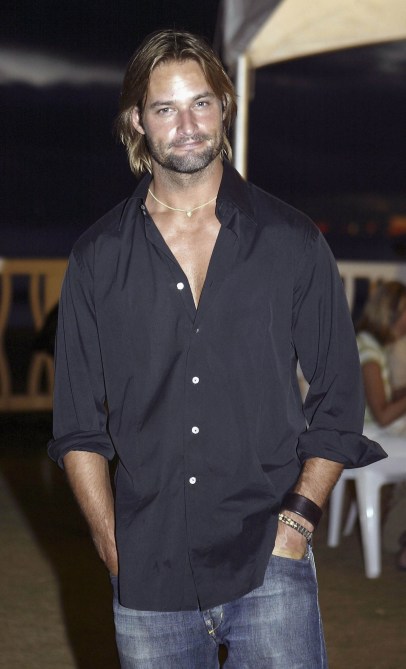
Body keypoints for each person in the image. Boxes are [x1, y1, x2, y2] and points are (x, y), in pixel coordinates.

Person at [48, 29, 385, 669]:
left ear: (224, 107)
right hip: (148, 567)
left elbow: (340, 397)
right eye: (165, 108)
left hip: (269, 557)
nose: (188, 126)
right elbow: (78, 426)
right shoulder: (98, 258)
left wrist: (298, 523)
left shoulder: (291, 241)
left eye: (201, 103)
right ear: (137, 121)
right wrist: (110, 540)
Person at [356, 280, 406, 571]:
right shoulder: (368, 352)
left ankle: (394, 533)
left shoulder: (373, 345)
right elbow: (384, 414)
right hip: (370, 440)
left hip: (375, 434)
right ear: (390, 313)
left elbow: (385, 399)